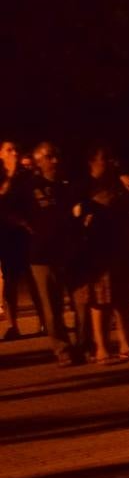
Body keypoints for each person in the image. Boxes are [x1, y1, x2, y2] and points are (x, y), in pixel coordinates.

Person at [76, 144, 129, 364]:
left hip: (118, 246)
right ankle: (101, 346)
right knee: (98, 300)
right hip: (95, 249)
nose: (110, 162)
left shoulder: (119, 183)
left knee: (122, 298)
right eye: (104, 158)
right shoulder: (84, 186)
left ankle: (126, 342)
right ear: (92, 161)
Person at [22, 142, 81, 365]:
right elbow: (8, 207)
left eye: (56, 156)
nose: (55, 161)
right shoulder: (29, 187)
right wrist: (26, 226)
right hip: (42, 254)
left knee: (81, 303)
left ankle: (84, 344)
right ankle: (62, 349)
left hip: (70, 252)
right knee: (52, 306)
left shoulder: (67, 184)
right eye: (49, 157)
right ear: (39, 161)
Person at [0, 140, 37, 340]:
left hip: (28, 234)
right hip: (7, 234)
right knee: (11, 281)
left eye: (16, 148)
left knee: (36, 278)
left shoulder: (26, 175)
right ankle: (13, 326)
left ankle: (44, 321)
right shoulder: (3, 176)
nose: (14, 152)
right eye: (9, 149)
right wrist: (11, 173)